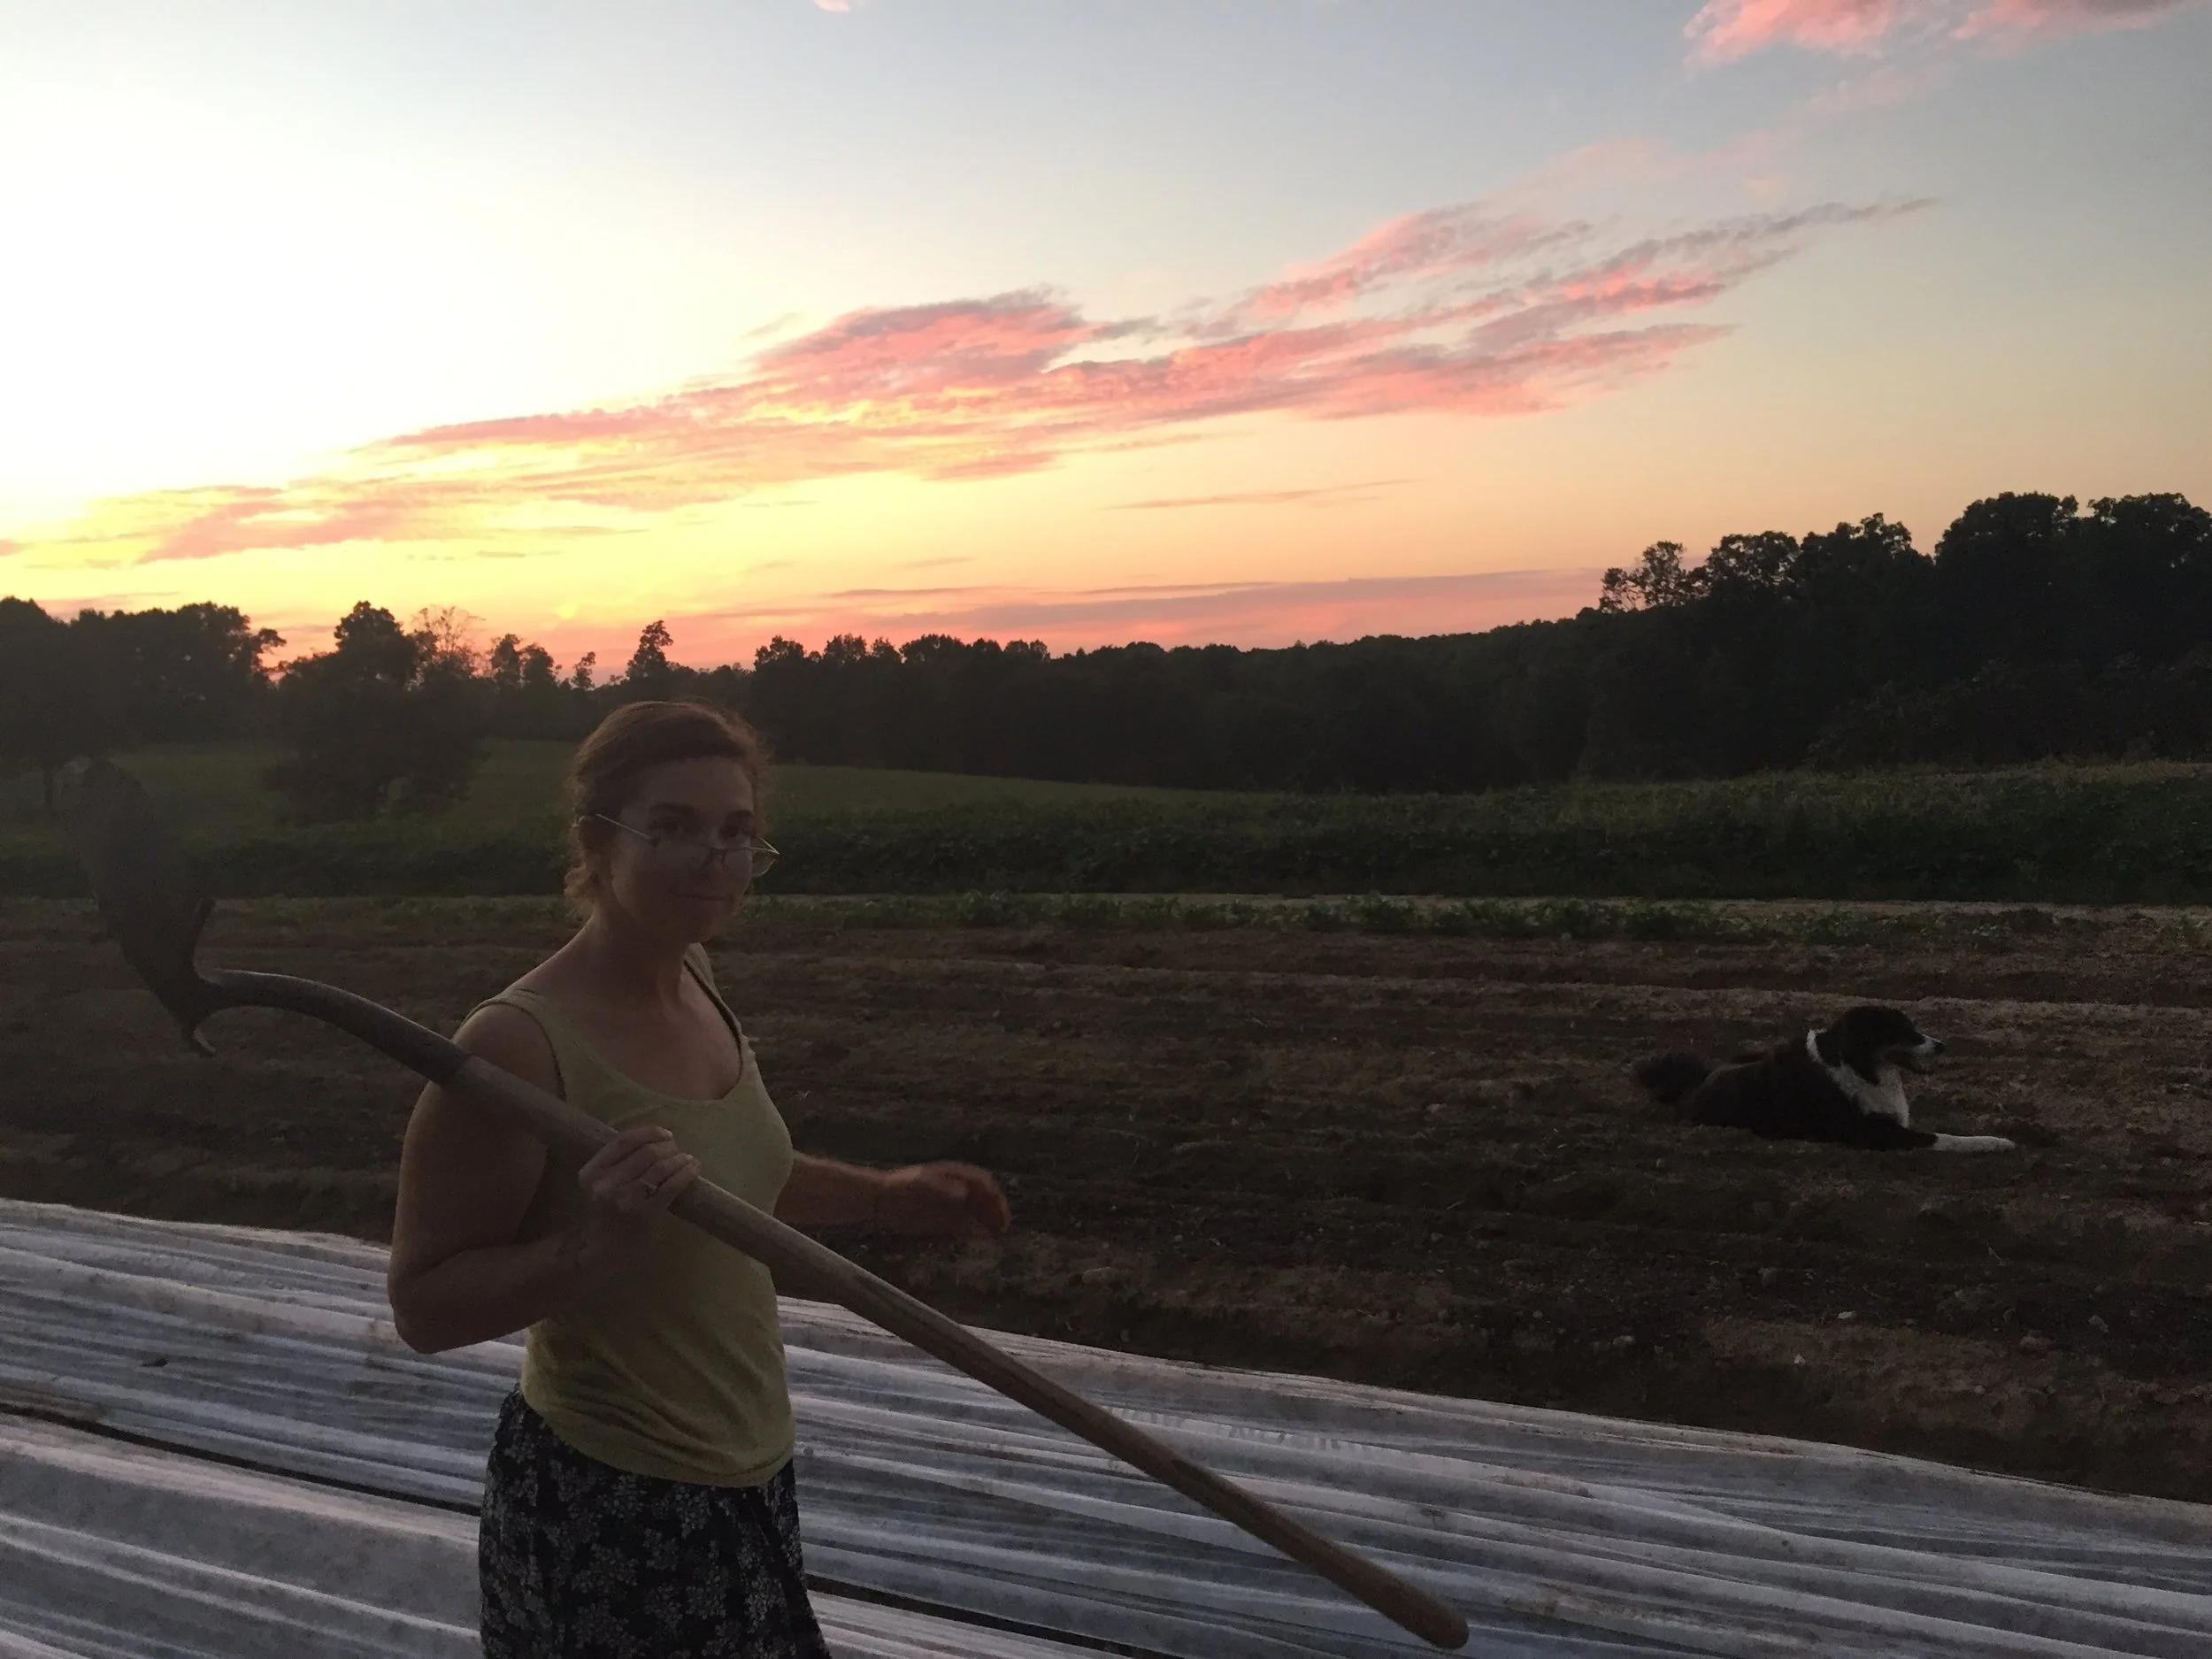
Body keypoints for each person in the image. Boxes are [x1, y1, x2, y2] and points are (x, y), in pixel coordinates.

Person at [386, 699, 1010, 1657]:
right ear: (596, 840)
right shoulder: (517, 1046)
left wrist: (884, 1195)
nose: (714, 859)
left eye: (736, 832)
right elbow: (424, 1306)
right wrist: (590, 1248)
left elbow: (726, 1179)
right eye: (672, 827)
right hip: (612, 1499)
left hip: (749, 1465)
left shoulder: (696, 979)